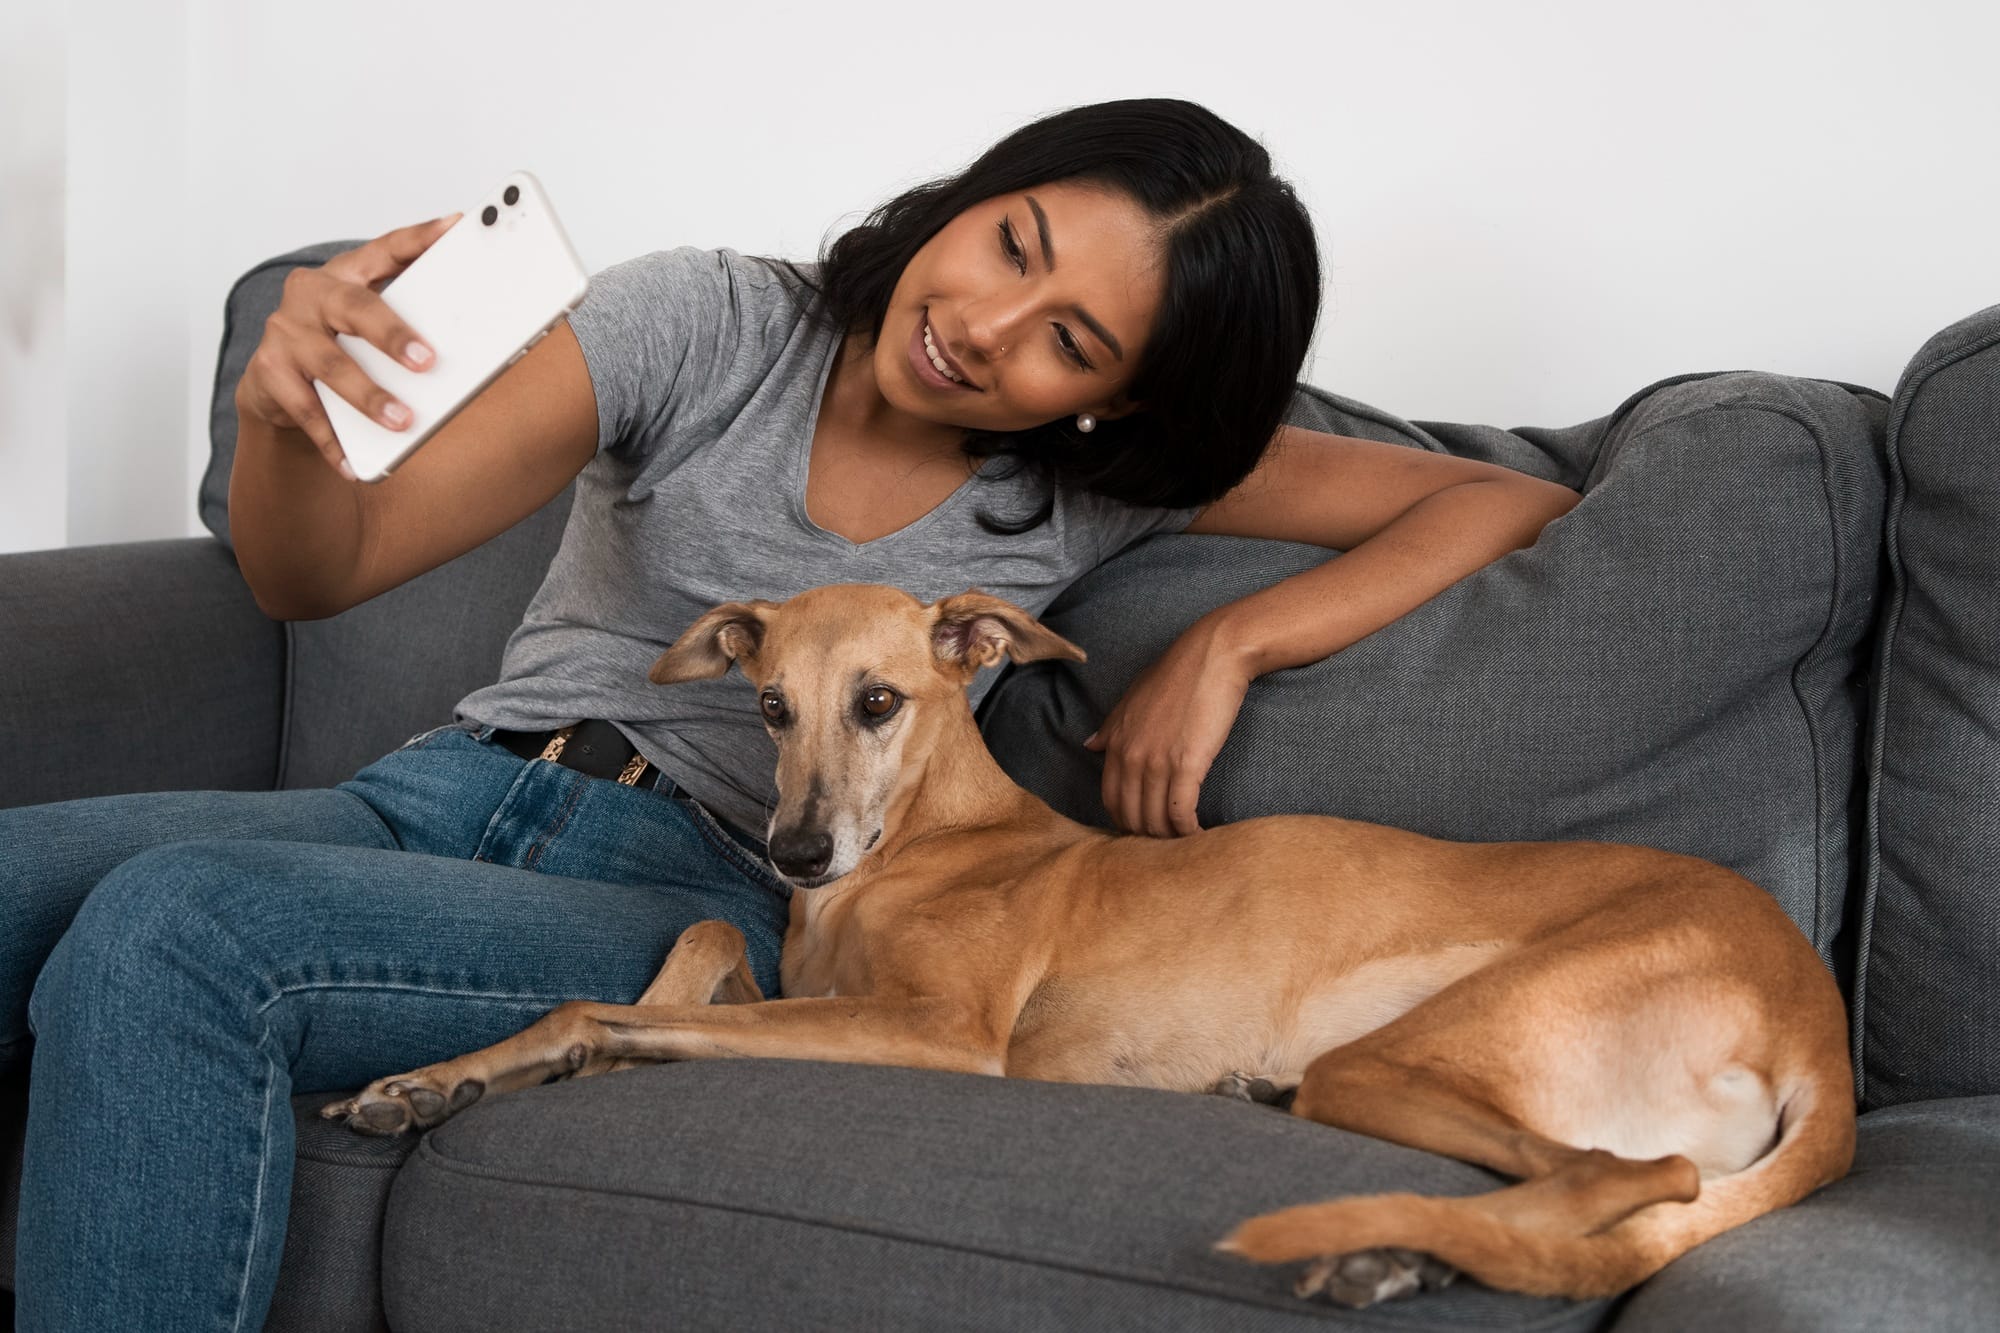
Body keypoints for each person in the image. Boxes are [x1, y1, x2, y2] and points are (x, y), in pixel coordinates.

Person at [0, 98, 1577, 1328]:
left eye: (1071, 341)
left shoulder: (1085, 491)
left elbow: (1502, 499)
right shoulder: (707, 321)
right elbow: (312, 573)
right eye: (1013, 244)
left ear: (1116, 399)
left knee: (179, 930)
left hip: (694, 882)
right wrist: (284, 421)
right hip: (430, 796)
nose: (989, 324)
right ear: (974, 194)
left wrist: (1232, 643)